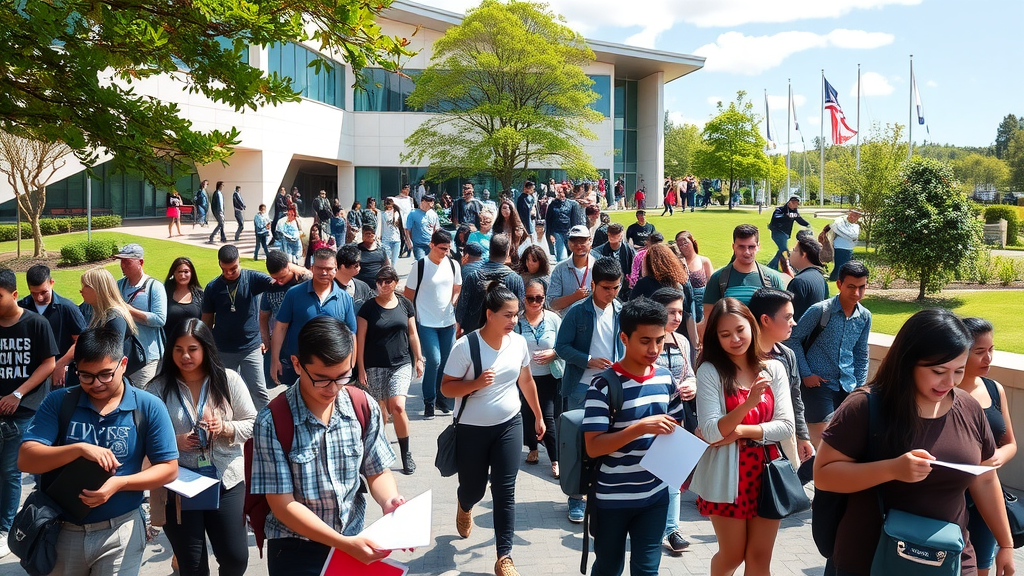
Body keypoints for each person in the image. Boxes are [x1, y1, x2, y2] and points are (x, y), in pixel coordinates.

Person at [814, 309, 1016, 576]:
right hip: (871, 560)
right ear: (908, 361)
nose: (949, 382)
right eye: (938, 371)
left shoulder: (968, 407)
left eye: (958, 371)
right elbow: (824, 475)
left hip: (949, 559)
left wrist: (1006, 543)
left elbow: (985, 478)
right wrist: (892, 469)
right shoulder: (864, 406)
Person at [18, 326, 178, 575]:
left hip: (121, 531)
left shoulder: (148, 406)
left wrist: (119, 484)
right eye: (86, 376)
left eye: (105, 374)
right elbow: (26, 459)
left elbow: (168, 469)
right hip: (62, 531)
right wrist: (79, 449)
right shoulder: (60, 401)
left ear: (123, 364)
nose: (96, 384)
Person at [251, 316, 405, 574]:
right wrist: (343, 544)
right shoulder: (273, 420)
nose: (333, 388)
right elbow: (283, 505)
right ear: (297, 365)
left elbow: (376, 469)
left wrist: (389, 500)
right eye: (322, 379)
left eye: (343, 376)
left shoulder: (361, 406)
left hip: (352, 536)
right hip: (295, 548)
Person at [441, 280, 545, 576]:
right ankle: (464, 503)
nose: (514, 320)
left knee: (504, 490)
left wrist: (537, 415)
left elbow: (526, 380)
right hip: (472, 430)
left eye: (516, 315)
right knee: (473, 487)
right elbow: (446, 388)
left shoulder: (519, 343)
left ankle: (504, 557)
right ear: (490, 314)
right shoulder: (466, 346)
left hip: (509, 424)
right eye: (508, 315)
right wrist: (475, 383)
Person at [691, 298, 795, 576]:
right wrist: (748, 404)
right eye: (725, 335)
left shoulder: (774, 368)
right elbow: (712, 431)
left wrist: (738, 431)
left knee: (760, 557)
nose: (735, 339)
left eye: (740, 330)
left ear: (752, 325)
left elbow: (785, 426)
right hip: (727, 473)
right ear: (715, 337)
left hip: (767, 472)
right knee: (733, 555)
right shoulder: (710, 371)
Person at [581, 297, 684, 576]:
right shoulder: (603, 384)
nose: (654, 349)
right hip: (612, 499)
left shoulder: (665, 379)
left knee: (648, 570)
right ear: (624, 338)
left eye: (660, 340)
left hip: (654, 497)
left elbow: (677, 429)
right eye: (645, 341)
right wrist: (640, 427)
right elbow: (593, 446)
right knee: (608, 568)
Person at [149, 319, 256, 576]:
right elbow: (145, 437)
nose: (185, 356)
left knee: (236, 558)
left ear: (206, 348)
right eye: (178, 349)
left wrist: (226, 427)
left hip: (225, 479)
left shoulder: (229, 380)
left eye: (193, 349)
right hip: (179, 485)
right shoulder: (157, 388)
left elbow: (253, 423)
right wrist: (173, 442)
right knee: (193, 565)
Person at [554, 256, 625, 523]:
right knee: (578, 446)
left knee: (608, 444)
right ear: (593, 284)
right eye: (606, 287)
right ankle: (575, 499)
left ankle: (601, 495)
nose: (611, 293)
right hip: (581, 388)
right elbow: (561, 347)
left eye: (616, 287)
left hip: (612, 389)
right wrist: (587, 360)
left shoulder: (621, 310)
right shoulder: (577, 311)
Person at [785, 260, 871, 476]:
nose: (857, 293)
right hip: (817, 385)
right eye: (851, 286)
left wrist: (859, 387)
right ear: (839, 284)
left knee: (840, 443)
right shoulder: (820, 310)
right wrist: (806, 374)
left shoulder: (865, 316)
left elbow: (861, 352)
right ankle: (803, 489)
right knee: (826, 444)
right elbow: (793, 339)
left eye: (862, 287)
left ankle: (795, 486)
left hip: (847, 386)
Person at [0, 268, 56, 554]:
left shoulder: (35, 323)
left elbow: (48, 363)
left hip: (23, 410)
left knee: (9, 471)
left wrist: (18, 394)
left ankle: (5, 526)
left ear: (13, 294)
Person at [958, 317, 1016, 576]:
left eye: (991, 349)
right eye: (980, 352)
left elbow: (1010, 444)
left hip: (986, 497)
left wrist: (997, 458)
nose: (988, 358)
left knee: (982, 565)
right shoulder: (941, 390)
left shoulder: (995, 389)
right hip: (951, 497)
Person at [358, 267, 422, 474]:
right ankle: (379, 451)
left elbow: (412, 333)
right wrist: (360, 368)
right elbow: (360, 340)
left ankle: (406, 454)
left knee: (398, 406)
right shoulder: (367, 308)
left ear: (395, 282)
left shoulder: (405, 304)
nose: (383, 285)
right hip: (374, 364)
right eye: (379, 281)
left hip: (401, 363)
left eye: (388, 281)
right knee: (380, 411)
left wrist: (419, 359)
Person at [648, 287, 697, 556]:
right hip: (648, 418)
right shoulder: (644, 341)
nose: (677, 317)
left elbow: (690, 373)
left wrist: (692, 384)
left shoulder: (682, 341)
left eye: (680, 311)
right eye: (671, 312)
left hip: (676, 420)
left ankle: (672, 530)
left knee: (672, 478)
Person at [202, 245, 276, 411]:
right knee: (223, 393)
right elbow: (206, 320)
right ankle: (227, 428)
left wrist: (291, 267)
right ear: (220, 264)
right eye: (225, 269)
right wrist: (206, 347)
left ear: (239, 261)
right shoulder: (213, 287)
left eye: (233, 269)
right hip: (222, 349)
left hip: (250, 347)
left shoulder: (252, 279)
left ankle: (268, 426)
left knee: (259, 392)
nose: (229, 273)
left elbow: (278, 281)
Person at [271, 248, 356, 389]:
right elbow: (280, 327)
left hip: (332, 371)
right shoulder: (294, 294)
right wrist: (275, 360)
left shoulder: (345, 298)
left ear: (336, 269)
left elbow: (351, 333)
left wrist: (350, 365)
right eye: (320, 268)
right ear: (312, 268)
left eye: (329, 269)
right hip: (299, 367)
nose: (324, 272)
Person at [747, 288, 814, 467]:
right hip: (746, 446)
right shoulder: (741, 355)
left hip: (781, 446)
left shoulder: (787, 355)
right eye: (788, 317)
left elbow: (795, 398)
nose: (794, 323)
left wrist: (802, 436)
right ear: (766, 320)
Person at [404, 230, 461, 419]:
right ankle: (429, 400)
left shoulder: (453, 265)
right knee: (434, 361)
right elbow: (408, 296)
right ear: (431, 245)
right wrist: (411, 322)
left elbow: (457, 288)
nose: (445, 252)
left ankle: (443, 399)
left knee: (446, 362)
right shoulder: (420, 266)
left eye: (448, 249)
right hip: (426, 323)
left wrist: (453, 300)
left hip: (448, 323)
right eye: (442, 248)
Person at [515, 279, 561, 477]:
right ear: (523, 299)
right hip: (524, 377)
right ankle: (533, 448)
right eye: (530, 298)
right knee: (527, 413)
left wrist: (554, 353)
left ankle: (555, 459)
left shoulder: (553, 319)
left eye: (539, 298)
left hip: (550, 375)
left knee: (548, 416)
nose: (535, 302)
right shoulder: (516, 321)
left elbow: (565, 344)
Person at [19, 264, 85, 390]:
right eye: (34, 293)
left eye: (44, 292)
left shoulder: (67, 308)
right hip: (28, 377)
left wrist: (60, 364)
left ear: (52, 283)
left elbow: (82, 341)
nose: (39, 298)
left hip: (60, 377)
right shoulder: (22, 308)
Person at [701, 224, 785, 321]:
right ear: (733, 247)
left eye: (751, 247)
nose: (747, 252)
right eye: (741, 247)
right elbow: (709, 317)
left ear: (758, 247)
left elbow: (782, 315)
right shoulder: (718, 278)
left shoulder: (772, 278)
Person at [115, 243, 167, 388]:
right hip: (122, 355)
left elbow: (160, 319)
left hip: (148, 358)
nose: (123, 266)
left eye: (127, 261)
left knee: (143, 399)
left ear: (141, 262)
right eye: (121, 261)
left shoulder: (154, 287)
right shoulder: (119, 285)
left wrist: (128, 310)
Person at [260, 251, 312, 387]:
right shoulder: (271, 287)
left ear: (290, 267)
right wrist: (266, 341)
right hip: (280, 344)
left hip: (303, 344)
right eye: (275, 278)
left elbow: (315, 277)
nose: (279, 282)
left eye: (282, 277)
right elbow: (263, 316)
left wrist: (298, 269)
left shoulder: (304, 282)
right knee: (273, 381)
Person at [455, 234, 525, 335]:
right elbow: (521, 310)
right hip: (504, 336)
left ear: (490, 249)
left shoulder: (473, 277)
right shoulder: (515, 279)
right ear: (507, 251)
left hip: (475, 335)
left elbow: (461, 309)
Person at [547, 225, 596, 316]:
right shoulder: (560, 269)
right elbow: (552, 304)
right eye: (573, 240)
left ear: (590, 240)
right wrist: (575, 297)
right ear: (568, 242)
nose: (578, 244)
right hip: (568, 322)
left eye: (582, 240)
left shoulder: (598, 267)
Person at [786, 231, 829, 321]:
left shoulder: (799, 282)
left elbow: (788, 316)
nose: (791, 253)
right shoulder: (820, 277)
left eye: (794, 250)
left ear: (804, 255)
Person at [162, 256, 204, 344]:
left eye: (186, 272)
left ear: (192, 273)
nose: (182, 275)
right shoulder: (164, 292)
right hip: (169, 345)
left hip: (193, 344)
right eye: (179, 271)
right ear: (173, 273)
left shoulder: (199, 294)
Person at [674, 231, 713, 323]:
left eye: (685, 242)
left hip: (701, 303)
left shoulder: (704, 261)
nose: (683, 246)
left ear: (692, 242)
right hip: (684, 303)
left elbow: (711, 285)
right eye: (680, 245)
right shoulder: (677, 263)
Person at [592, 223, 636, 301]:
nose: (613, 238)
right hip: (606, 285)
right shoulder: (598, 252)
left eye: (616, 235)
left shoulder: (629, 251)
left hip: (624, 289)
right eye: (611, 235)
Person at [767, 196, 811, 272]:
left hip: (785, 234)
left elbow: (799, 219)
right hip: (777, 233)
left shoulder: (794, 212)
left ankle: (772, 265)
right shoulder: (780, 210)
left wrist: (807, 224)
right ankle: (779, 266)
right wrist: (786, 215)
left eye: (797, 203)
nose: (796, 205)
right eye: (795, 203)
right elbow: (776, 217)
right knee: (784, 250)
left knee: (781, 250)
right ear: (789, 202)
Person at [545, 185, 584, 261]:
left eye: (561, 192)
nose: (560, 194)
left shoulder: (571, 204)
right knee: (561, 255)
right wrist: (550, 233)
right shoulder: (552, 205)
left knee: (571, 253)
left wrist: (575, 232)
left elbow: (574, 219)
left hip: (568, 231)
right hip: (557, 231)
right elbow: (548, 220)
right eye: (558, 192)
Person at [333, 244, 375, 314]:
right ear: (343, 266)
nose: (359, 268)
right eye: (356, 266)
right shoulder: (327, 288)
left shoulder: (363, 287)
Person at [825, 208, 862, 281]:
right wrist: (849, 235)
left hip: (849, 248)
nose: (855, 218)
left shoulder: (856, 226)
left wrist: (849, 235)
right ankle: (834, 279)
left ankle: (838, 278)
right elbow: (837, 228)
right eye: (854, 215)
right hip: (840, 247)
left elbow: (854, 236)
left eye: (857, 216)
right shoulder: (839, 221)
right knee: (839, 266)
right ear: (850, 214)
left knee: (846, 266)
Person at [407, 194, 441, 260]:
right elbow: (408, 230)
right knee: (421, 263)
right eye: (429, 201)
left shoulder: (433, 214)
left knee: (431, 263)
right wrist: (409, 242)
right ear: (423, 202)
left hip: (430, 244)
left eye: (432, 201)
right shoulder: (413, 213)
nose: (431, 203)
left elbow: (436, 229)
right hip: (418, 245)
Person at [379, 197, 404, 265]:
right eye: (387, 204)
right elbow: (380, 226)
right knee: (387, 261)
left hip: (396, 239)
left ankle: (392, 273)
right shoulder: (382, 214)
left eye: (389, 203)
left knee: (394, 261)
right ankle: (389, 273)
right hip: (386, 239)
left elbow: (401, 225)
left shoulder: (397, 213)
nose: (388, 205)